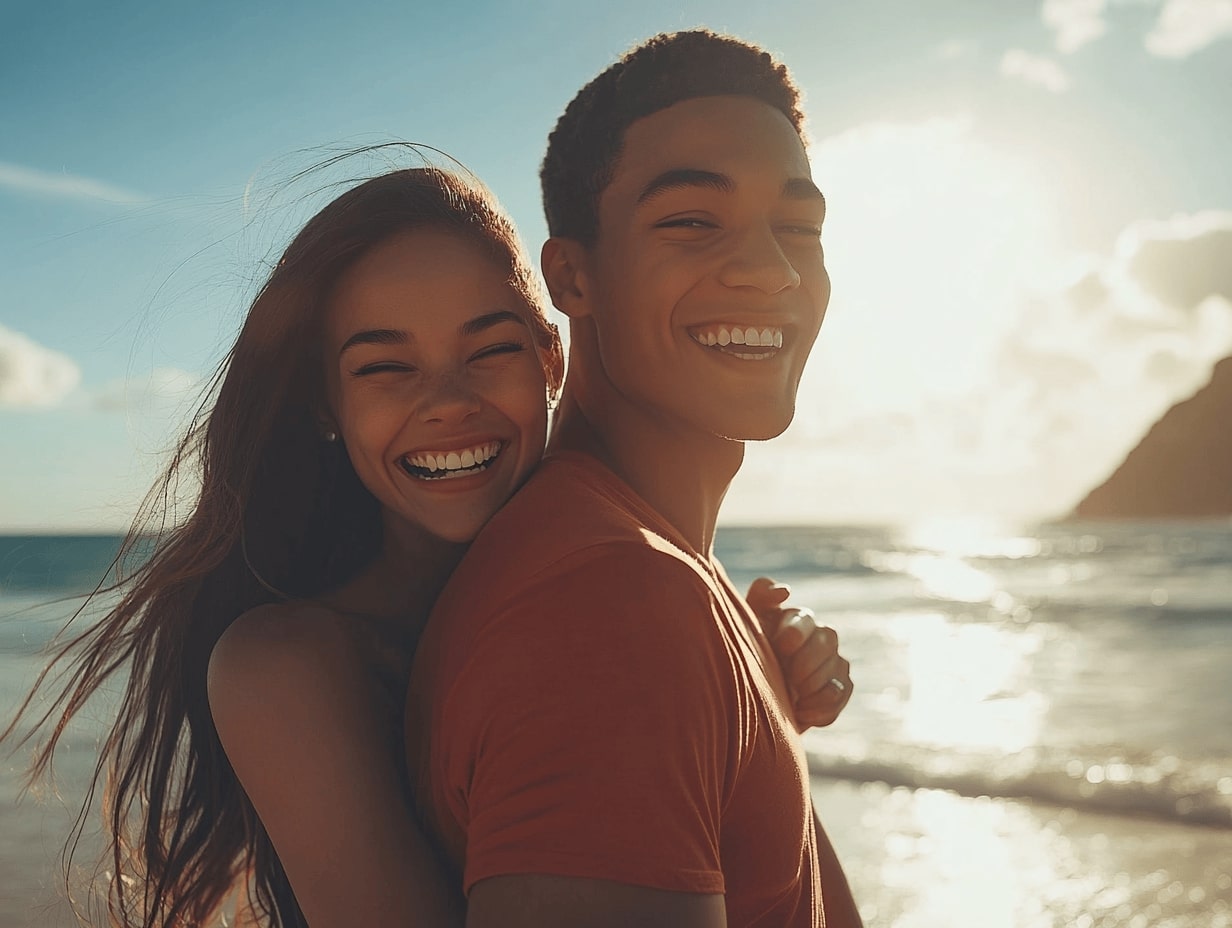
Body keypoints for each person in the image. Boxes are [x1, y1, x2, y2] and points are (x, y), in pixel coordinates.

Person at [4, 163, 852, 927]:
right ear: (324, 404)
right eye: (385, 368)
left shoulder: (606, 592)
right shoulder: (287, 664)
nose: (449, 403)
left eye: (491, 350)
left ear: (550, 361)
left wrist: (756, 689)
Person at [406, 30, 862, 928]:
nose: (771, 270)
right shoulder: (614, 605)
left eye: (798, 228)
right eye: (692, 220)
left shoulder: (658, 576)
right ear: (573, 276)